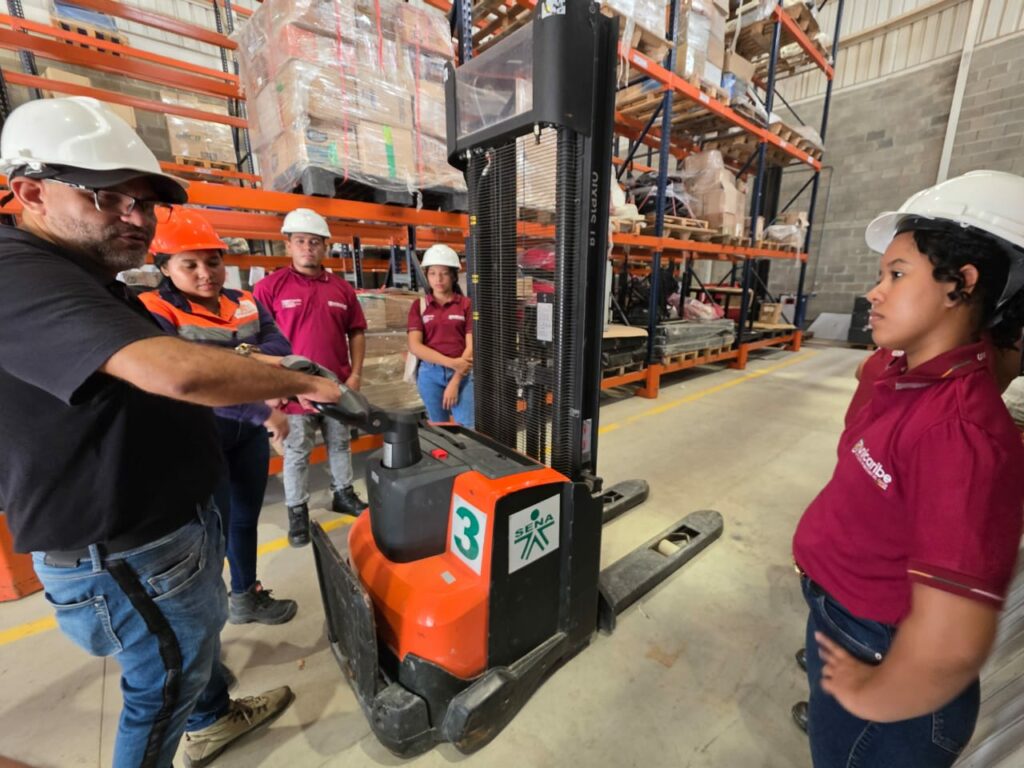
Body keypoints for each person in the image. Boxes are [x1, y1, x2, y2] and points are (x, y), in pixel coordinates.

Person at [0, 97, 344, 768]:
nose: (136, 217)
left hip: (167, 531)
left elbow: (190, 356)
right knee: (161, 687)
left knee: (192, 641)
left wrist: (274, 364)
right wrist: (305, 385)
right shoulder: (16, 275)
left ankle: (213, 715)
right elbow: (174, 372)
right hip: (125, 551)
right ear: (30, 192)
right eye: (108, 197)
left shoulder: (86, 277)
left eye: (145, 203)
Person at [792, 170, 1024, 767]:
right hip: (844, 625)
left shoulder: (959, 433)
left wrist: (876, 696)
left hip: (882, 663)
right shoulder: (903, 377)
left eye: (896, 275)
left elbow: (950, 642)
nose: (875, 291)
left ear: (961, 284)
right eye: (880, 276)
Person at [139, 208, 297, 626]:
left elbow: (280, 348)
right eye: (188, 264)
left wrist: (232, 359)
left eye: (213, 261)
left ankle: (246, 595)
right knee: (208, 535)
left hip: (246, 434)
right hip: (199, 434)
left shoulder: (244, 302)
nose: (205, 273)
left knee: (245, 518)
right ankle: (205, 627)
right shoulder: (155, 310)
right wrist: (262, 402)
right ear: (164, 268)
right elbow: (187, 382)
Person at [253, 208, 368, 547]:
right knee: (296, 453)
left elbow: (357, 332)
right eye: (301, 241)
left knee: (340, 443)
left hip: (336, 388)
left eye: (315, 242)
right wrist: (271, 390)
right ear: (288, 244)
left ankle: (343, 494)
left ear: (325, 247)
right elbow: (254, 343)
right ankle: (297, 512)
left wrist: (356, 374)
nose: (308, 248)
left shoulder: (342, 290)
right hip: (291, 391)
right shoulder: (268, 288)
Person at [407, 243, 475, 427]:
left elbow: (472, 346)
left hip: (463, 373)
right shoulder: (419, 306)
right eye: (433, 273)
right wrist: (451, 363)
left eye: (444, 273)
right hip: (431, 374)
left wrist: (456, 378)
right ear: (427, 275)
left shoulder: (466, 305)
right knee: (439, 429)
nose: (438, 279)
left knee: (468, 428)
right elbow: (415, 346)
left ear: (453, 276)